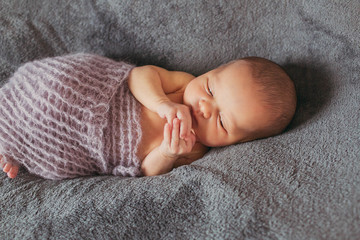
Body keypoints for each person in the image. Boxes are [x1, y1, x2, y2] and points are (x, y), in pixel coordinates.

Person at [0, 54, 296, 179]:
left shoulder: (193, 148)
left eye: (221, 121)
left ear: (235, 142)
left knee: (56, 158)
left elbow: (148, 170)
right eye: (210, 88)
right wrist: (162, 104)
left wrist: (167, 153)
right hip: (97, 94)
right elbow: (139, 77)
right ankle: (11, 117)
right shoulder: (181, 84)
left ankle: (15, 148)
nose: (205, 107)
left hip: (91, 147)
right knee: (55, 89)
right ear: (208, 73)